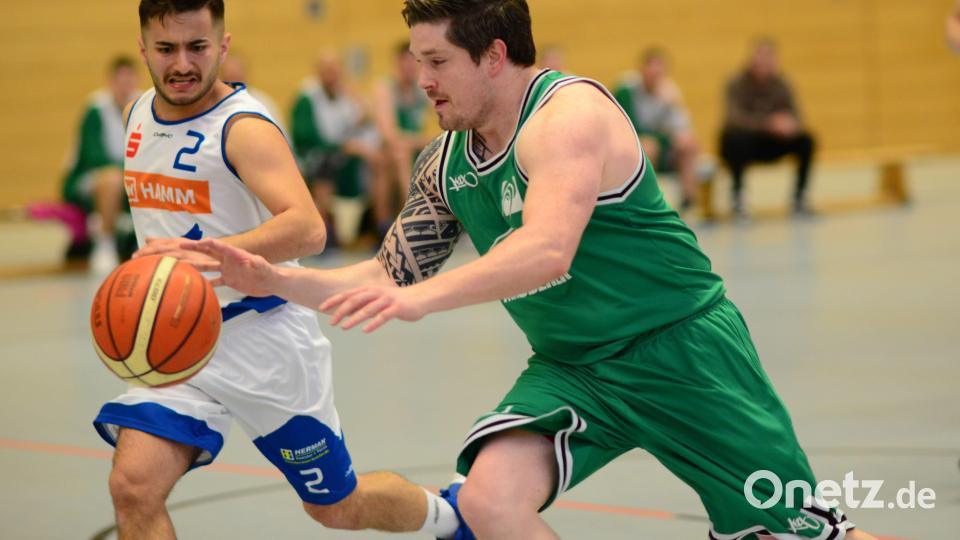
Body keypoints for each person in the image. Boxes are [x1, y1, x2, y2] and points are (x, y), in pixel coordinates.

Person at [182, 2, 880, 539]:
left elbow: (547, 251)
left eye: (436, 62)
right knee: (489, 503)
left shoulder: (568, 116)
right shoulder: (445, 161)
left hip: (684, 354)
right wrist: (278, 280)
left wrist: (425, 300)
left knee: (801, 533)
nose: (420, 80)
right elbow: (386, 274)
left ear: (492, 56)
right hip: (576, 369)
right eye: (417, 62)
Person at [93, 2, 461, 539]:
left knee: (337, 507)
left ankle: (453, 518)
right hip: (178, 344)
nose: (182, 64)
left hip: (264, 343)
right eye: (167, 48)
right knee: (132, 486)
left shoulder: (243, 128)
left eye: (197, 47)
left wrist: (215, 254)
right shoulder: (137, 114)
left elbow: (308, 229)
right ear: (144, 46)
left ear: (222, 45)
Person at [290, 50, 384, 248]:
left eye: (336, 70)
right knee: (326, 164)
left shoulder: (344, 95)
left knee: (379, 162)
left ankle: (380, 226)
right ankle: (325, 229)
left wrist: (357, 96)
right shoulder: (306, 98)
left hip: (345, 155)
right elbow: (305, 140)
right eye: (327, 71)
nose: (332, 75)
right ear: (318, 73)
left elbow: (366, 122)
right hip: (314, 157)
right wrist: (346, 146)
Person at [720, 38, 816, 218]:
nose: (762, 64)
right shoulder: (736, 83)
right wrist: (768, 123)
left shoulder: (782, 84)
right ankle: (738, 198)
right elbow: (733, 118)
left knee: (806, 140)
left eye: (767, 59)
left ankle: (800, 197)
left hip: (774, 142)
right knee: (733, 139)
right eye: (759, 58)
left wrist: (789, 124)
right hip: (748, 142)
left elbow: (798, 116)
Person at [61, 55, 141, 271]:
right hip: (87, 178)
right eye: (120, 82)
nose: (125, 87)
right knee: (112, 179)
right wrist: (130, 171)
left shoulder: (143, 107)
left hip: (127, 176)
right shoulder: (95, 109)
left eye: (129, 82)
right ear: (111, 82)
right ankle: (105, 244)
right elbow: (94, 156)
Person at [613, 47, 700, 210]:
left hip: (663, 146)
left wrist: (673, 105)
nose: (655, 74)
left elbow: (682, 128)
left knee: (688, 144)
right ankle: (646, 202)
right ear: (642, 68)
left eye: (660, 71)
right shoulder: (626, 90)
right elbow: (621, 126)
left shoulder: (669, 92)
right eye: (651, 68)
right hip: (633, 147)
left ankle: (689, 201)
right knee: (648, 146)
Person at [372, 41, 431, 238]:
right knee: (397, 154)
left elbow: (444, 128)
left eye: (412, 63)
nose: (408, 68)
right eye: (404, 63)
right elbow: (389, 135)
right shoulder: (385, 88)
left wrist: (419, 141)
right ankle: (408, 220)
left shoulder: (422, 89)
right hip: (381, 151)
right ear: (397, 64)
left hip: (410, 146)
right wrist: (420, 140)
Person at [219, 50, 286, 134]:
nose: (234, 81)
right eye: (230, 75)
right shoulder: (213, 106)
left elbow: (283, 137)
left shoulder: (263, 103)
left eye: (237, 74)